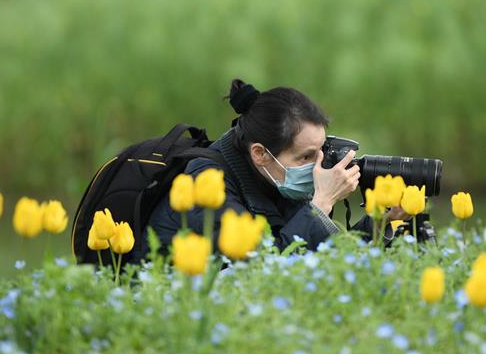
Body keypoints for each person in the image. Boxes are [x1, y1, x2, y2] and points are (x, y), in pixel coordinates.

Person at [147, 79, 409, 253]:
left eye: (321, 150)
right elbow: (261, 270)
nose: (318, 164)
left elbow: (319, 257)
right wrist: (321, 204)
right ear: (260, 153)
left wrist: (381, 222)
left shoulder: (274, 179)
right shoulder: (207, 184)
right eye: (306, 157)